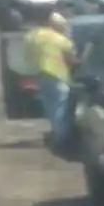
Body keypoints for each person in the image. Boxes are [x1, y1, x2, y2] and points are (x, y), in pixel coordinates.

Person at [25, 12, 78, 148]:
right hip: (57, 75)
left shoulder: (32, 35)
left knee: (49, 106)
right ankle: (61, 140)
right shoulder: (60, 39)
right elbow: (71, 59)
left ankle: (55, 132)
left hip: (39, 74)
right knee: (60, 106)